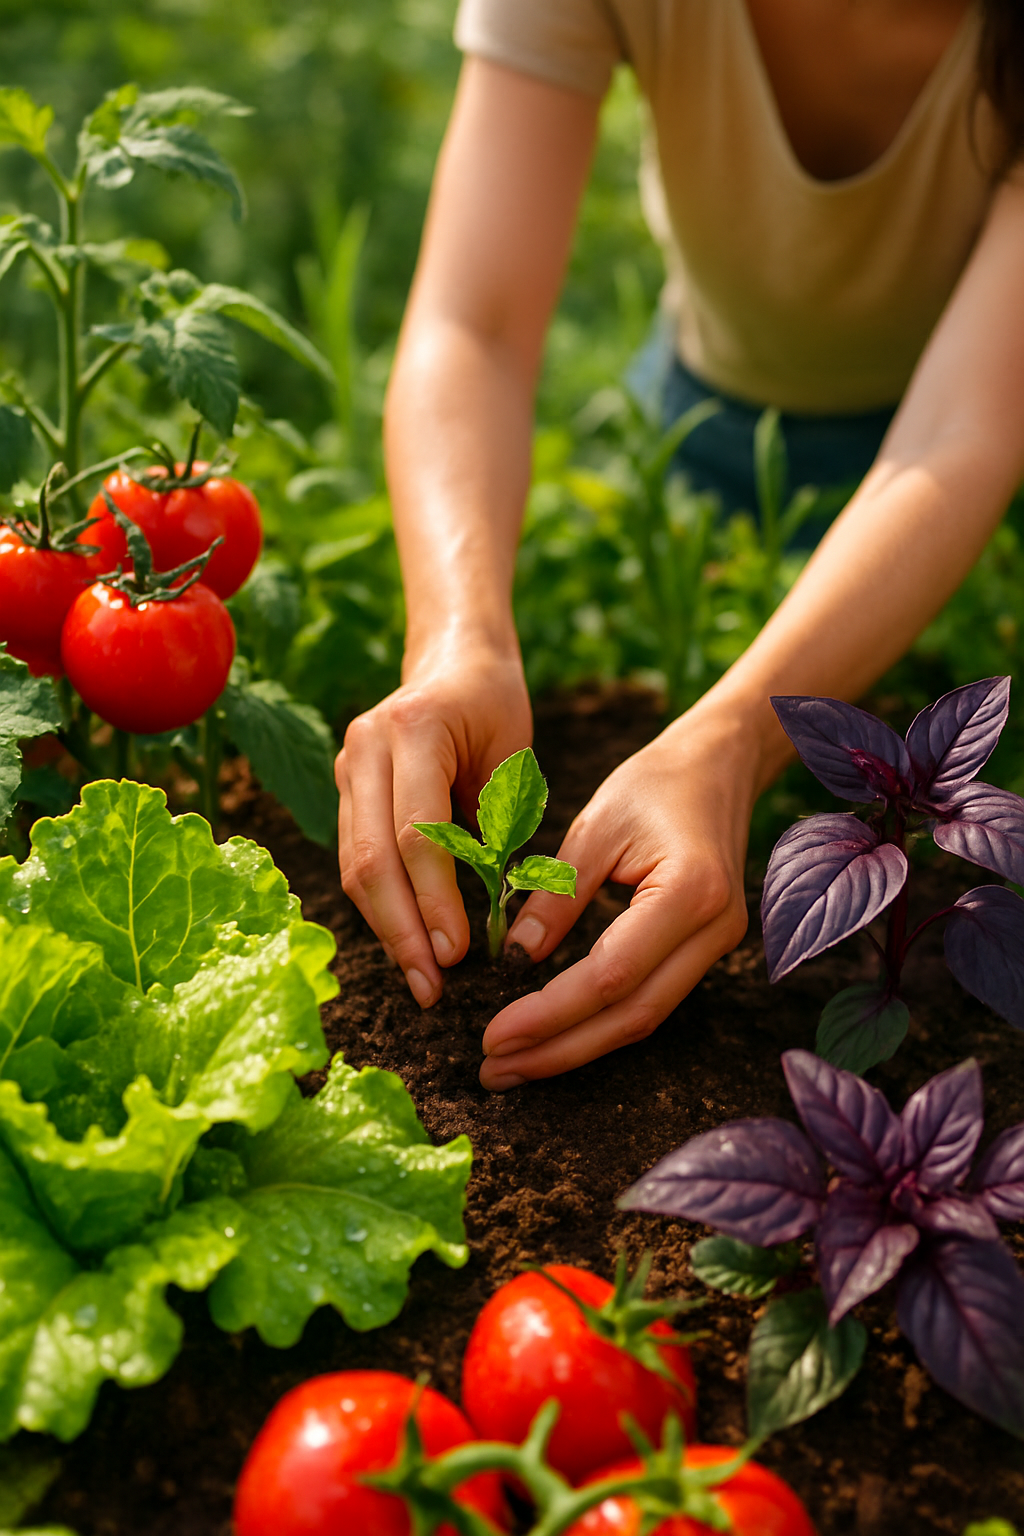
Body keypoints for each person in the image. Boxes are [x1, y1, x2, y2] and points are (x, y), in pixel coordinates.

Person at [335, 0, 1024, 1091]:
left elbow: (965, 430)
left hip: (978, 468)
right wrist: (459, 643)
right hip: (706, 425)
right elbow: (473, 322)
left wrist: (730, 746)